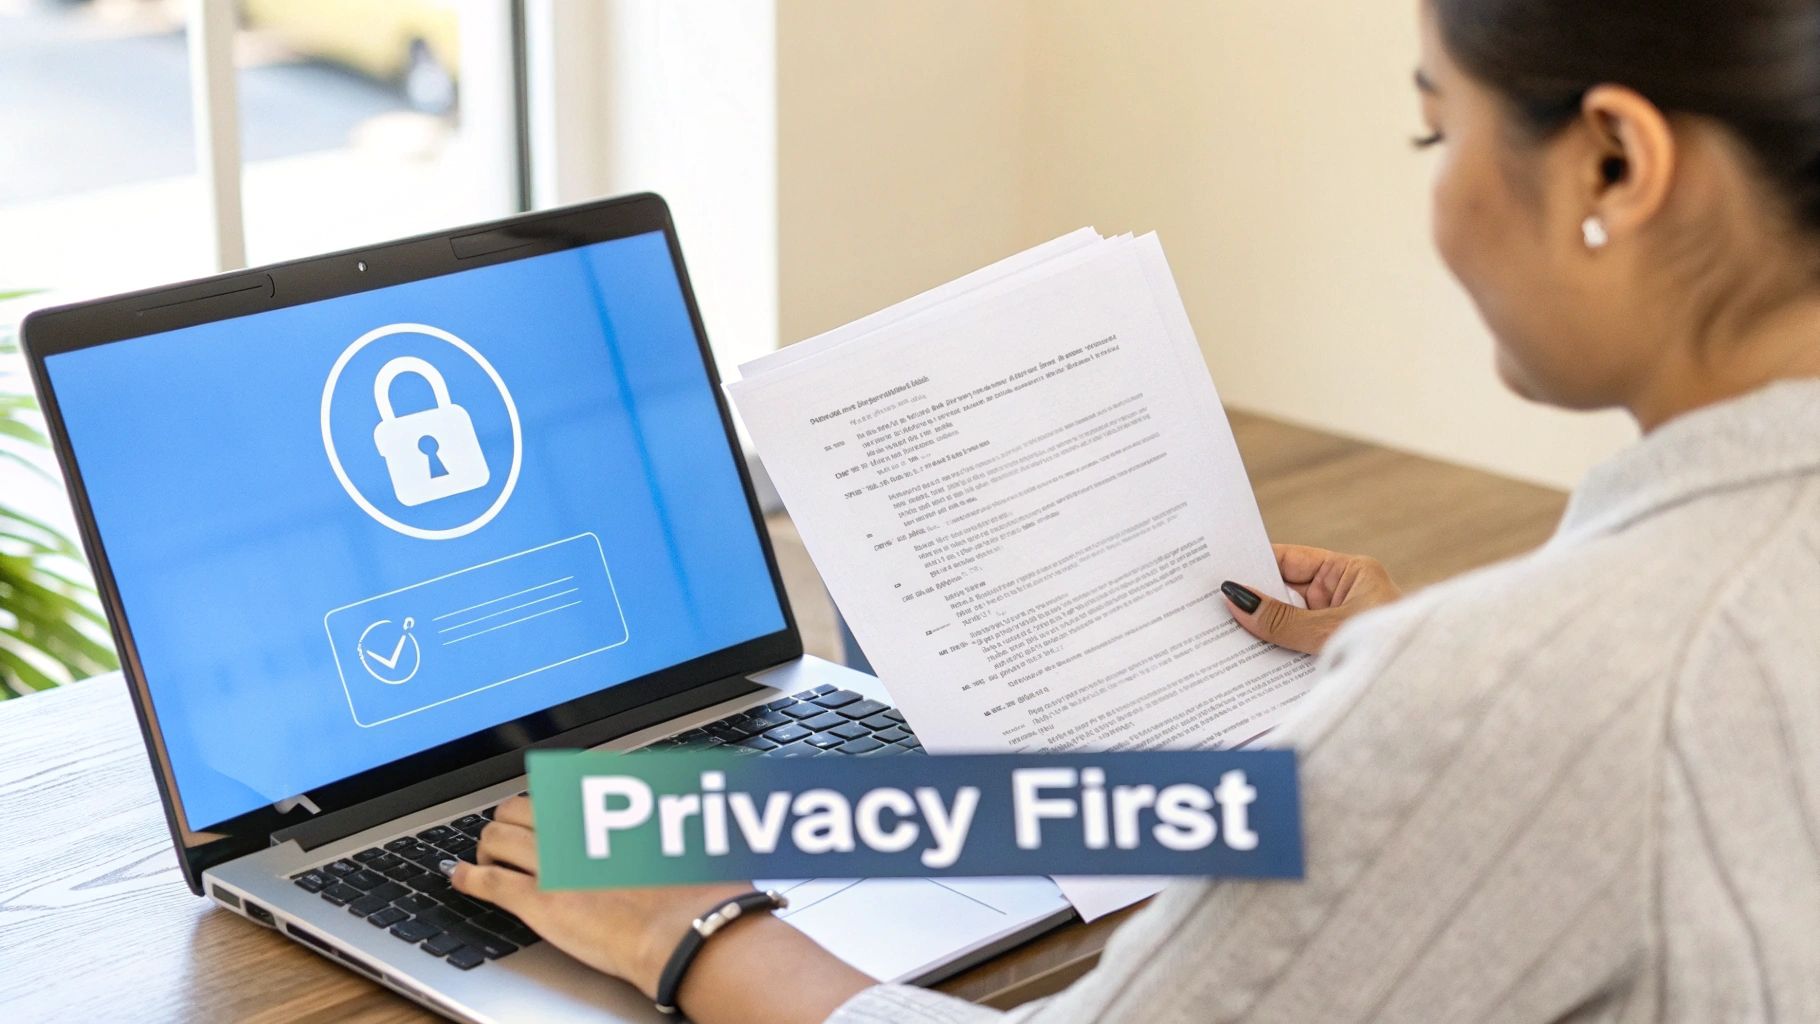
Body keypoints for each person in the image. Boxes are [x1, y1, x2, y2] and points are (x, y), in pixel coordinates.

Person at [441, 0, 1820, 1019]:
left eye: (1434, 124)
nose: (1439, 189)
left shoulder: (1547, 689)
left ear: (1615, 167)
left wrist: (691, 933)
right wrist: (1446, 703)